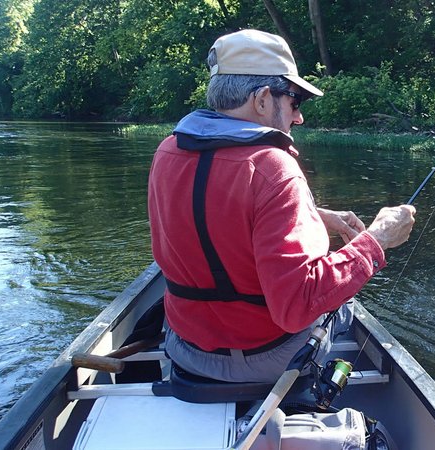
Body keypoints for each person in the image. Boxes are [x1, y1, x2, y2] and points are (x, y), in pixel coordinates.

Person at [147, 29, 416, 383]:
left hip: (185, 347)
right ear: (261, 99)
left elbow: (211, 211)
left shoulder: (168, 151)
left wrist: (317, 215)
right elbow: (296, 307)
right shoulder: (273, 168)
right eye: (294, 101)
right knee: (344, 295)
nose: (298, 117)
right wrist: (378, 239)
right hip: (263, 358)